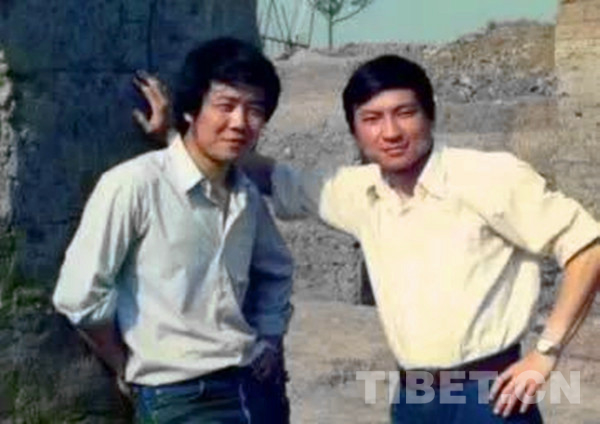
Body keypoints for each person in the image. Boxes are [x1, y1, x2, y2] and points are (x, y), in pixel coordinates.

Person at [137, 54, 600, 423]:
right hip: (415, 397)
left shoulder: (488, 176)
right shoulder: (356, 191)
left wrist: (546, 353)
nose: (391, 132)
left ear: (430, 115)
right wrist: (180, 135)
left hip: (490, 393)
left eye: (405, 113)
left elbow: (587, 247)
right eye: (372, 118)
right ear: (355, 131)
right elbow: (268, 175)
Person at [53, 37, 293, 423]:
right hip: (181, 398)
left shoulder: (245, 193)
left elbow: (276, 269)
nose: (239, 123)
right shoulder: (135, 185)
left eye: (255, 110)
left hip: (256, 388)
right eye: (226, 105)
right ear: (190, 111)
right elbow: (79, 297)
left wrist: (269, 337)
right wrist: (125, 365)